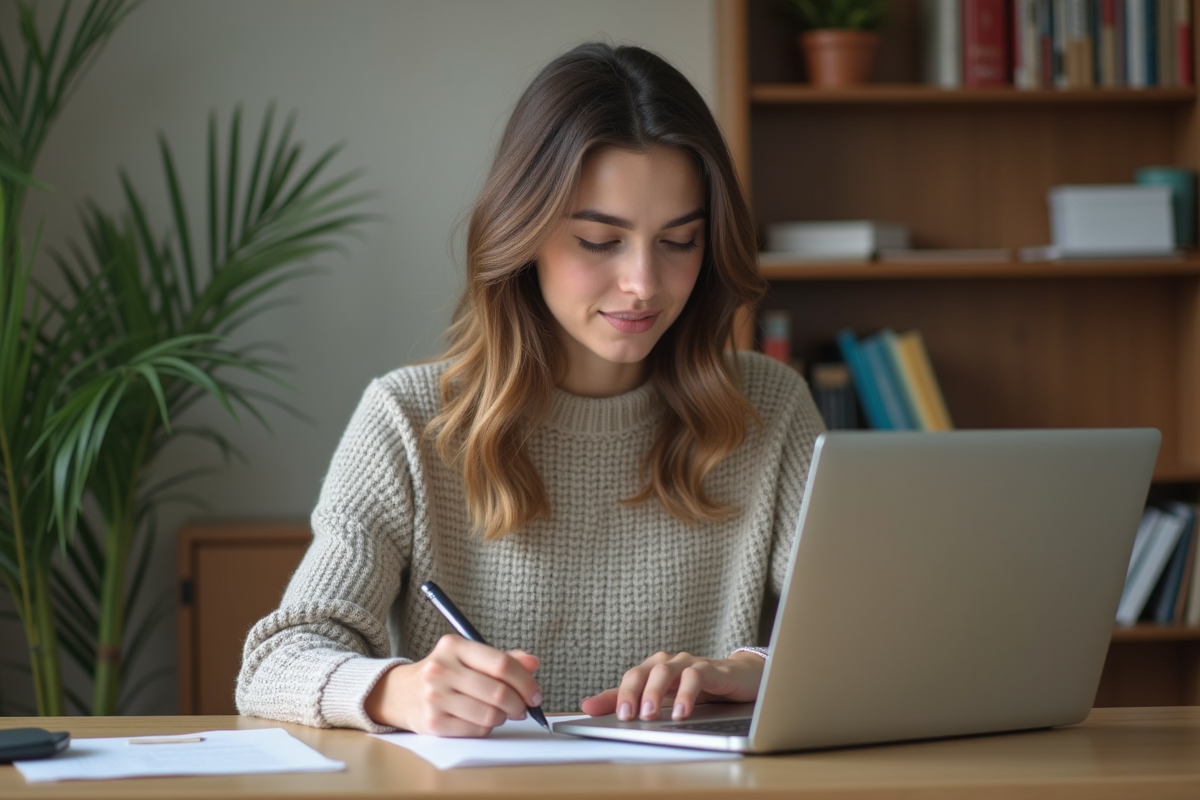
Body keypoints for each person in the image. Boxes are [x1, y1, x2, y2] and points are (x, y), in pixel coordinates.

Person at [236, 41, 825, 737]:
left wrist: (760, 666)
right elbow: (276, 662)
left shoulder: (770, 407)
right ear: (526, 233)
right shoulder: (409, 419)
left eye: (678, 241)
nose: (643, 282)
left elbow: (872, 634)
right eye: (599, 241)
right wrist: (399, 689)